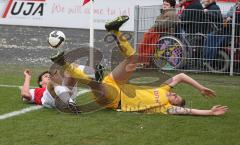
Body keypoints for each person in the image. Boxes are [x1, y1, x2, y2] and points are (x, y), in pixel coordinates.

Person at [51, 15, 228, 116]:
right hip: (118, 85)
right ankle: (115, 30)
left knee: (94, 84)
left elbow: (189, 111)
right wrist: (201, 88)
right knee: (133, 60)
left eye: (176, 98)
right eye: (176, 94)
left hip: (115, 101)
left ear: (176, 105)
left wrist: (209, 112)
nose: (174, 95)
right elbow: (181, 76)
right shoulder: (165, 90)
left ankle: (64, 63)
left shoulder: (166, 108)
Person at [20, 67, 87, 113]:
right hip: (49, 100)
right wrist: (27, 77)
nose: (49, 77)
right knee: (54, 82)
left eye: (50, 76)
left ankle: (95, 75)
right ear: (40, 82)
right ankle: (70, 102)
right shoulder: (36, 90)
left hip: (65, 94)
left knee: (72, 72)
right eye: (46, 76)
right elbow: (25, 94)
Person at [138, 0, 179, 66]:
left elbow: (163, 24)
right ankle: (145, 61)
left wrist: (155, 25)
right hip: (161, 31)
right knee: (146, 40)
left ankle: (145, 61)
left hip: (163, 33)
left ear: (171, 6)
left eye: (167, 4)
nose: (164, 6)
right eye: (164, 4)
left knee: (146, 41)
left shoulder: (171, 13)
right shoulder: (166, 12)